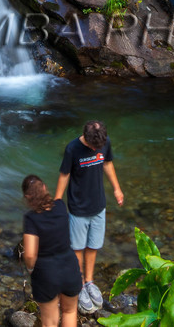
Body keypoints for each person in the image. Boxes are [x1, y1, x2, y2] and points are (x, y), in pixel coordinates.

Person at [54, 120, 122, 314]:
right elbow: (64, 175)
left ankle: (89, 281)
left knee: (93, 245)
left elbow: (108, 163)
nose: (96, 149)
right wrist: (58, 200)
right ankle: (79, 284)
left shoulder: (104, 142)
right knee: (77, 248)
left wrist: (117, 189)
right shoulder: (72, 149)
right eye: (94, 147)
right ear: (86, 138)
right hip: (78, 208)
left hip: (99, 205)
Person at [21, 175, 82, 327]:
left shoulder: (31, 219)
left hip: (46, 274)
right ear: (44, 188)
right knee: (69, 311)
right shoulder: (61, 206)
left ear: (27, 197)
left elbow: (29, 254)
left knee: (50, 322)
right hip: (70, 267)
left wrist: (30, 268)